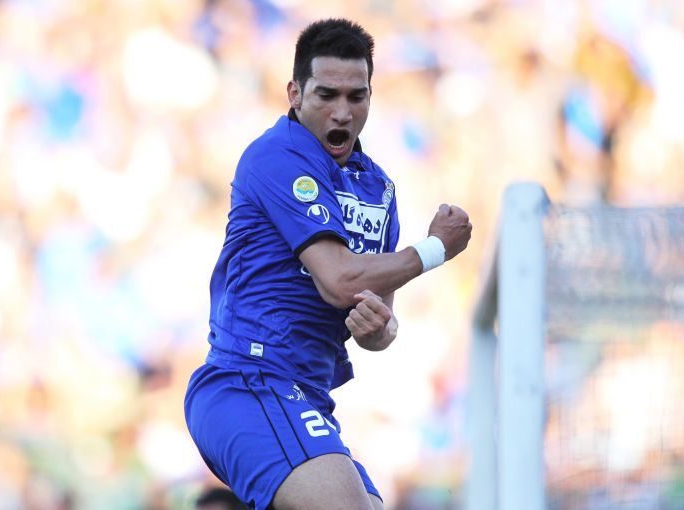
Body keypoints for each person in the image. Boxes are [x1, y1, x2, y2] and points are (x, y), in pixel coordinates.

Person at [184, 18, 472, 510]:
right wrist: (435, 249)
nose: (342, 112)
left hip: (306, 395)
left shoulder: (377, 189)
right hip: (248, 384)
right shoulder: (276, 156)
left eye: (356, 97)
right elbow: (339, 281)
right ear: (295, 93)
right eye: (327, 95)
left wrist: (378, 327)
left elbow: (377, 324)